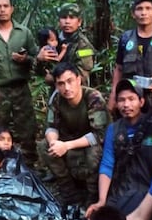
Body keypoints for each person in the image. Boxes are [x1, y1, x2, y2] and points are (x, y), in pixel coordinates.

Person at [86, 78, 152, 220]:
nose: (126, 104)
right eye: (121, 100)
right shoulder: (113, 129)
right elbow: (107, 165)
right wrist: (102, 200)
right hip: (121, 191)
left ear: (141, 102)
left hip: (150, 192)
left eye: (131, 99)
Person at [37, 62, 110, 207]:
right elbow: (51, 127)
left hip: (89, 142)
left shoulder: (93, 97)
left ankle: (92, 196)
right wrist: (53, 143)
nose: (66, 88)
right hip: (68, 139)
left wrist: (66, 145)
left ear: (78, 79)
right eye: (61, 84)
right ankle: (69, 192)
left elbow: (99, 135)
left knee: (95, 152)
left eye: (70, 81)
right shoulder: (57, 99)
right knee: (44, 146)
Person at [0, 0, 38, 166]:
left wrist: (25, 59)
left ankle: (29, 165)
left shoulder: (23, 32)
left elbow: (37, 58)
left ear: (12, 9)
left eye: (6, 6)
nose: (2, 10)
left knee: (27, 127)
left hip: (21, 87)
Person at [37, 3, 95, 85]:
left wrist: (54, 78)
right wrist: (39, 60)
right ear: (59, 21)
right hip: (56, 93)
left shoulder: (84, 46)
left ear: (79, 22)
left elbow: (82, 78)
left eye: (72, 18)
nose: (67, 21)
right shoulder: (53, 39)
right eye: (64, 17)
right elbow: (37, 72)